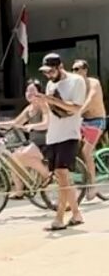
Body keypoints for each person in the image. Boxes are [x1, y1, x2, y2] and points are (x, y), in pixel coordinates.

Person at [35, 53, 87, 231]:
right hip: (54, 134)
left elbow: (76, 107)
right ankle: (76, 214)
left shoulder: (76, 81)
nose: (48, 76)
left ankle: (59, 217)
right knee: (61, 177)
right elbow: (52, 110)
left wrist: (52, 100)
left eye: (51, 71)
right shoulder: (50, 84)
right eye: (46, 72)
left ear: (60, 67)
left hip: (70, 134)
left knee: (62, 173)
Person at [0, 80, 49, 193]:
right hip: (34, 143)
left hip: (46, 143)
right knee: (12, 159)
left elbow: (46, 124)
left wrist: (32, 126)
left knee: (22, 155)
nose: (28, 93)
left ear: (39, 93)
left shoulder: (43, 105)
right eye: (27, 91)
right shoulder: (29, 108)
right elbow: (16, 122)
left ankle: (47, 175)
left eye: (32, 91)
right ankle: (19, 190)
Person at [72, 58, 105, 196]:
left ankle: (92, 184)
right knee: (71, 144)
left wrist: (77, 112)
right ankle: (81, 176)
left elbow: (90, 100)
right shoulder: (76, 86)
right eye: (73, 69)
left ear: (85, 70)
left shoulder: (94, 83)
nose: (76, 72)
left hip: (97, 121)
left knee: (86, 151)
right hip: (83, 120)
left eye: (78, 69)